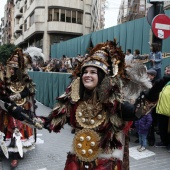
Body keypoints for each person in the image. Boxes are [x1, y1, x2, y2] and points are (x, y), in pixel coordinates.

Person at [5, 41, 153, 170]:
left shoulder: (115, 102)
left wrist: (153, 94)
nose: (87, 75)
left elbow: (136, 113)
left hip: (105, 162)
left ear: (102, 77)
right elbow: (52, 122)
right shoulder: (74, 100)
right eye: (85, 72)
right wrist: (23, 115)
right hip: (77, 160)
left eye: (93, 72)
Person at [0, 48, 37, 168]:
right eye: (10, 68)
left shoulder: (25, 79)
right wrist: (7, 99)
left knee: (18, 130)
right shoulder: (5, 78)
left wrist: (17, 96)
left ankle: (15, 156)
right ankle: (4, 149)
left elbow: (29, 91)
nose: (11, 70)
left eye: (14, 69)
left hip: (22, 108)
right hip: (8, 109)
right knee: (7, 129)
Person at [144, 65, 170, 151]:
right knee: (162, 127)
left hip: (167, 110)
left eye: (169, 70)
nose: (166, 71)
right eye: (166, 70)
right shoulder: (163, 82)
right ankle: (163, 141)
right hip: (160, 109)